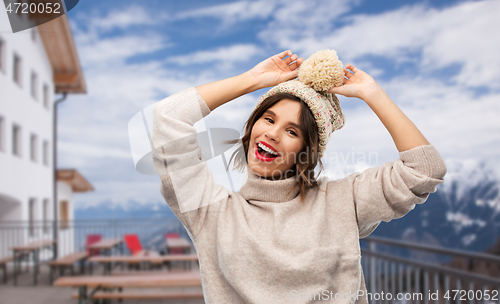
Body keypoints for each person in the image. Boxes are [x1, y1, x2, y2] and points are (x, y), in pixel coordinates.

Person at [151, 50, 447, 303]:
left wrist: (372, 93)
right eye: (268, 119)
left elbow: (424, 169)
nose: (272, 134)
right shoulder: (211, 213)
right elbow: (166, 120)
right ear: (252, 126)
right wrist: (252, 80)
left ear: (307, 151)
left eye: (292, 131)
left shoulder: (343, 201)